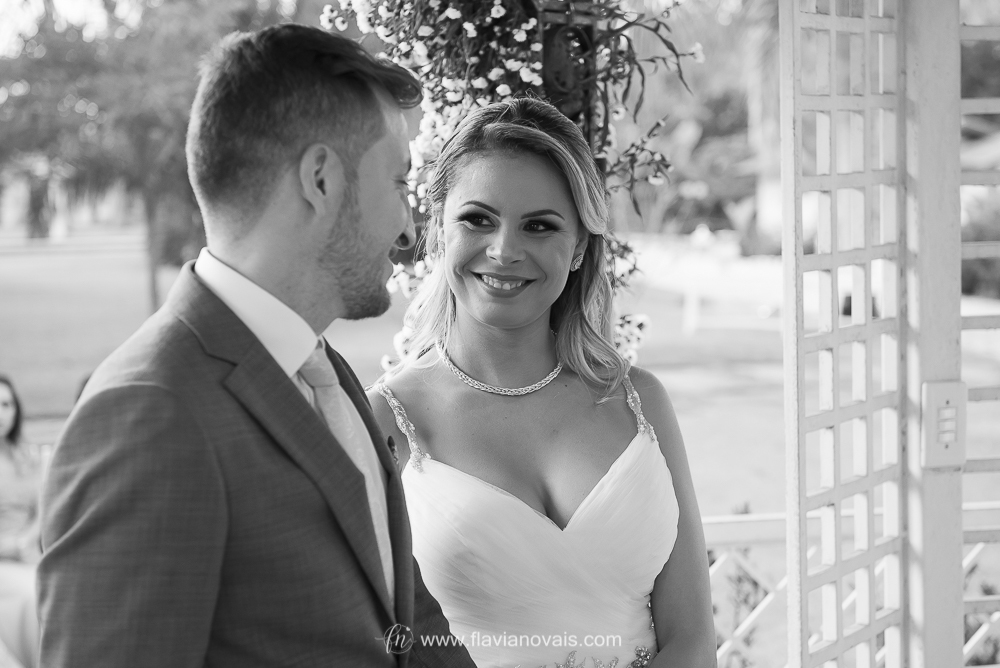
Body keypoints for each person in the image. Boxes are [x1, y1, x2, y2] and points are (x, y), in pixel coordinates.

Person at [38, 24, 475, 668]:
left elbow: (401, 624)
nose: (409, 230)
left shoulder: (325, 370)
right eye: (397, 184)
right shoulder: (150, 414)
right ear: (321, 180)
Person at [368, 98, 717, 668]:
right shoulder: (384, 421)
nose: (505, 250)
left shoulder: (639, 401)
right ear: (438, 231)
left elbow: (694, 640)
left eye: (539, 226)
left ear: (578, 247)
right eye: (477, 219)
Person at [0, 375, 40, 668]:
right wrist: (10, 546)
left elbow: (42, 511)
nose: (1, 413)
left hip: (28, 554)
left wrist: (27, 541)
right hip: (4, 558)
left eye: (6, 404)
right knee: (31, 592)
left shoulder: (28, 457)